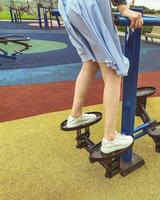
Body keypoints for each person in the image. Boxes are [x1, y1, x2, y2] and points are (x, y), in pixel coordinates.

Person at [58, 0, 143, 154]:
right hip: (91, 6)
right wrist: (123, 9)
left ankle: (75, 115)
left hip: (67, 5)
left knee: (90, 62)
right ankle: (110, 137)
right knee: (113, 72)